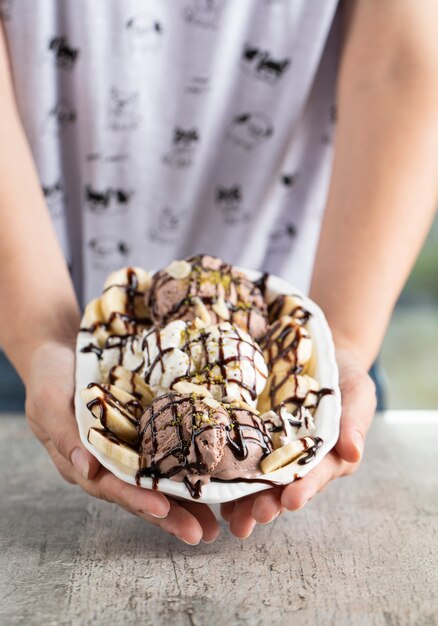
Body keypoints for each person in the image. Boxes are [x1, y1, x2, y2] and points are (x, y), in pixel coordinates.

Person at [0, 0, 437, 545]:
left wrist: (339, 335)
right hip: (29, 304)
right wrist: (42, 329)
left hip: (315, 324)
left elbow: (399, 63)